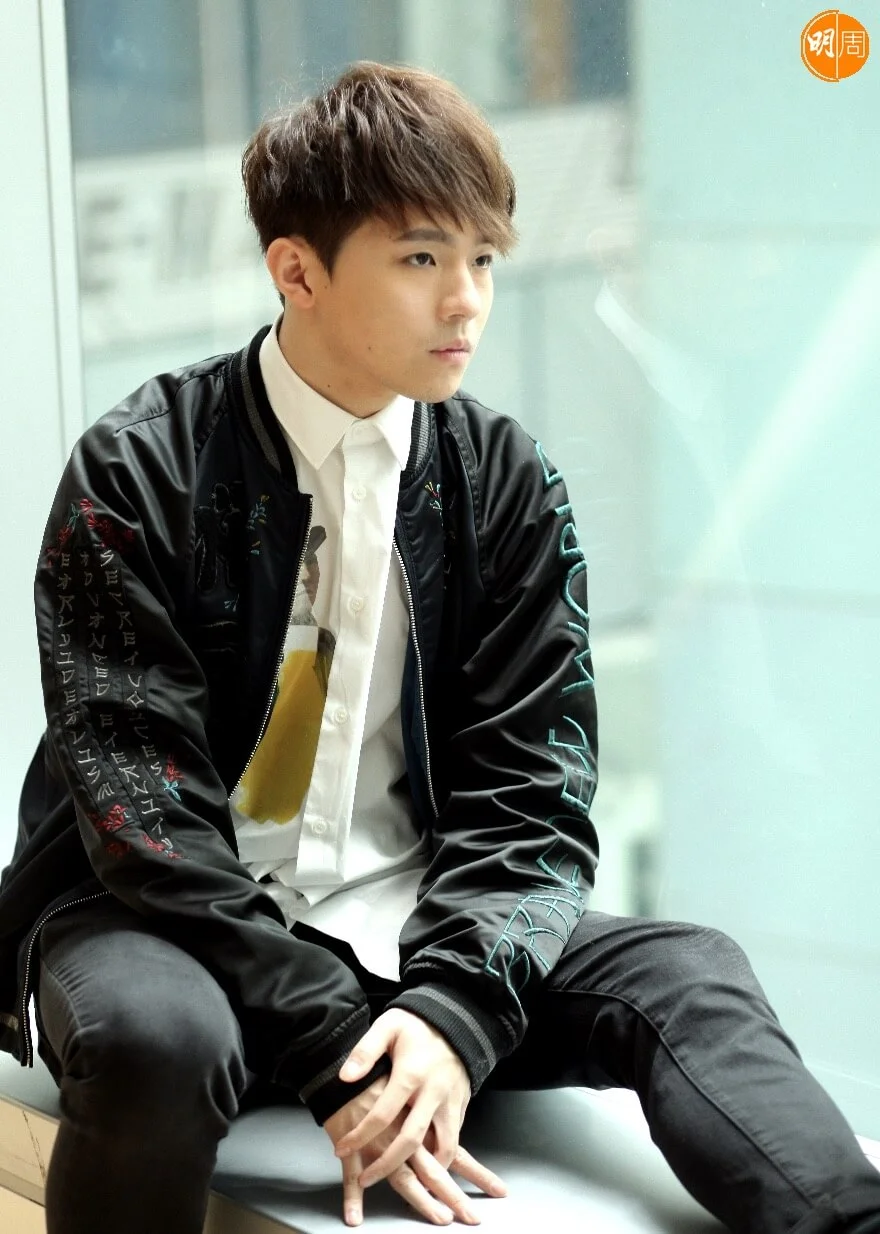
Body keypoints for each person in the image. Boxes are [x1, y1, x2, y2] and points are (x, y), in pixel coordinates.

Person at [0, 61, 877, 1234]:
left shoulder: (503, 482)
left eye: (483, 260)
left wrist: (451, 1013)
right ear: (296, 271)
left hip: (409, 920)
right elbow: (140, 817)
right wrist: (332, 1036)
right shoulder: (142, 468)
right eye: (421, 259)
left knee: (687, 970)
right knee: (158, 1042)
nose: (465, 302)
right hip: (166, 930)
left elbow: (535, 793)